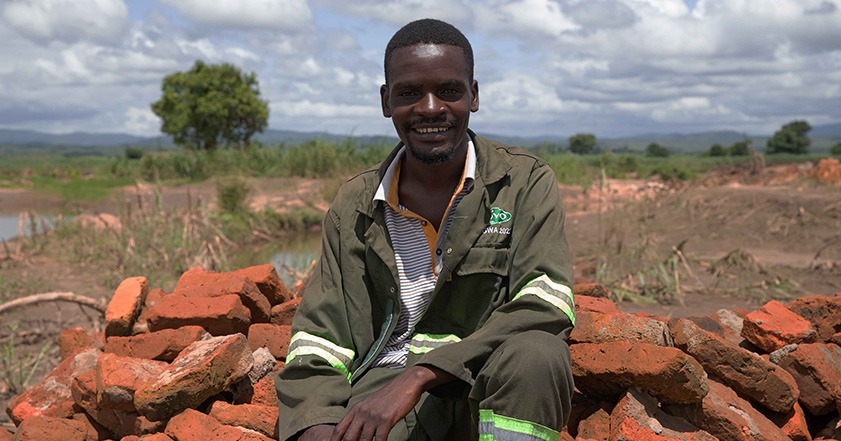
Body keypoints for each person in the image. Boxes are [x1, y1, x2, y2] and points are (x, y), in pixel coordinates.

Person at [277, 18, 575, 441]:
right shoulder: (355, 204)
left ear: (474, 96)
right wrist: (316, 425)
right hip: (386, 393)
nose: (430, 108)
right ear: (386, 101)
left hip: (482, 378)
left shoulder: (523, 183)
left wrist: (422, 373)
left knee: (537, 356)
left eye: (449, 90)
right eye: (409, 93)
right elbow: (320, 339)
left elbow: (545, 304)